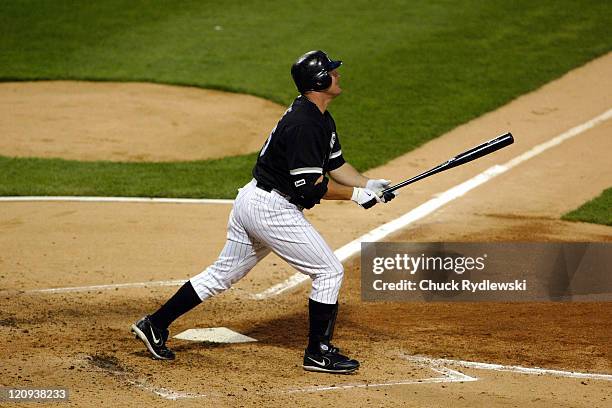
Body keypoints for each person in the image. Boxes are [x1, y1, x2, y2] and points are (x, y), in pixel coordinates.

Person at [131, 50, 395, 374]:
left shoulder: (319, 116)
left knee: (222, 274)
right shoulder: (306, 124)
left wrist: (370, 184)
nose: (338, 75)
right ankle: (318, 352)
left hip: (253, 202)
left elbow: (336, 165)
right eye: (332, 72)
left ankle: (155, 324)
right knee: (328, 272)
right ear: (320, 80)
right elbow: (308, 188)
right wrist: (356, 195)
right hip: (272, 210)